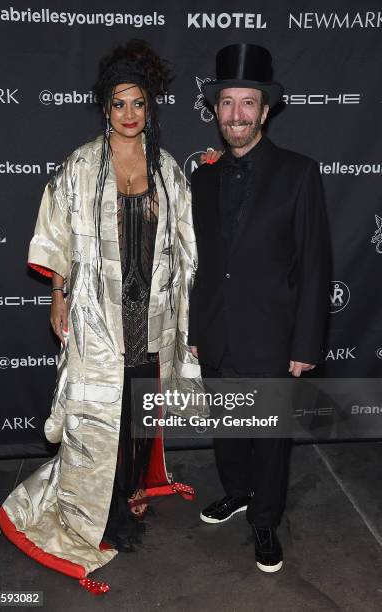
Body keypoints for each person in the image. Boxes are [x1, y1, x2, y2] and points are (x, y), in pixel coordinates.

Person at [0, 39, 208, 593]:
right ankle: (98, 509)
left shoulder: (166, 170)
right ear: (105, 108)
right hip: (97, 316)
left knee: (140, 406)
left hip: (150, 315)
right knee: (97, 418)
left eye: (139, 103)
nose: (130, 114)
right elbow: (59, 236)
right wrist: (58, 294)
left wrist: (188, 318)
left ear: (150, 107)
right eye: (119, 103)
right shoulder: (82, 166)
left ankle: (134, 488)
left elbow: (186, 249)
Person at [188, 43, 330, 573]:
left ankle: (265, 520)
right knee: (227, 427)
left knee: (270, 437)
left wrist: (305, 345)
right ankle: (238, 492)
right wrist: (197, 326)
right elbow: (202, 263)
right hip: (218, 332)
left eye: (248, 103)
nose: (237, 115)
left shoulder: (299, 173)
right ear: (216, 110)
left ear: (265, 110)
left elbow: (315, 264)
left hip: (274, 336)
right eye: (227, 103)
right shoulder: (202, 179)